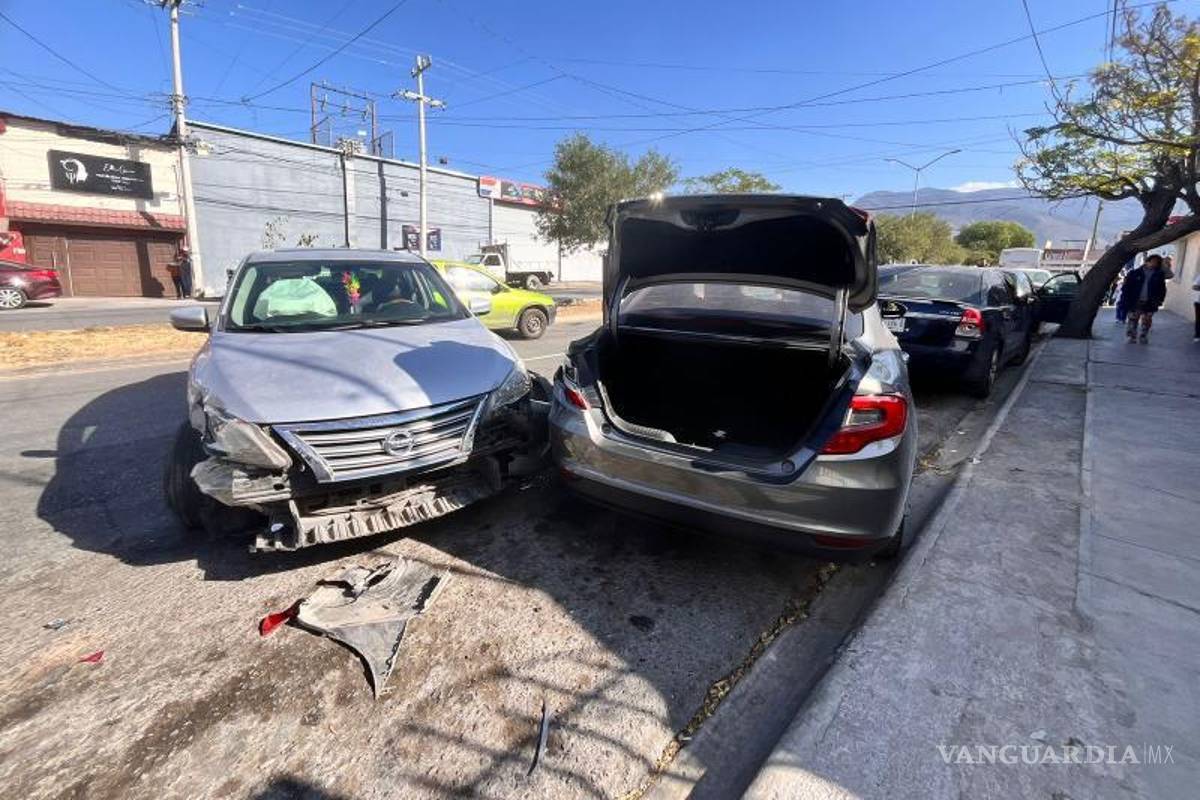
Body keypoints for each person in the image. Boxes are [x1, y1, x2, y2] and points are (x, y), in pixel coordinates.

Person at [1118, 254, 1167, 343]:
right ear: (1147, 261)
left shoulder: (1159, 275)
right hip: (1135, 300)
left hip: (1150, 301)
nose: (1153, 264)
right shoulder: (1134, 273)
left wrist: (1160, 300)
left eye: (1156, 262)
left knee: (1146, 320)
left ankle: (1143, 336)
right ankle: (1132, 337)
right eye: (1152, 261)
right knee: (1133, 319)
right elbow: (1126, 287)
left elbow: (1162, 289)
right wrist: (1125, 299)